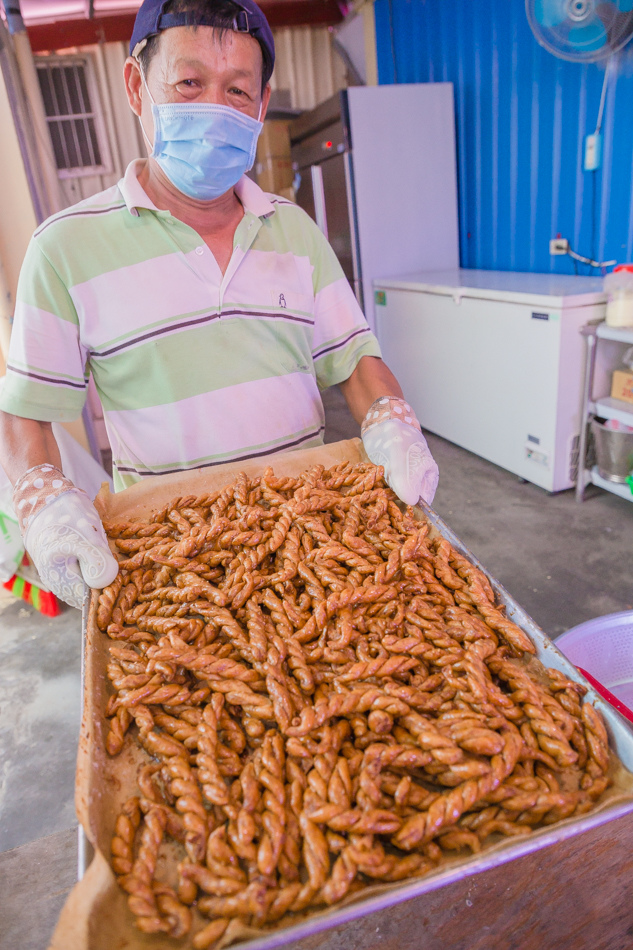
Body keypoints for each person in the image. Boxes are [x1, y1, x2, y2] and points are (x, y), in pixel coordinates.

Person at [0, 0, 439, 609]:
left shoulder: (296, 231)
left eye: (237, 90)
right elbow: (27, 412)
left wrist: (394, 421)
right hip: (166, 557)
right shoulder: (64, 249)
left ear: (261, 105)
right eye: (188, 83)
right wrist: (45, 499)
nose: (214, 107)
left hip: (304, 541)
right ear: (136, 86)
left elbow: (355, 359)